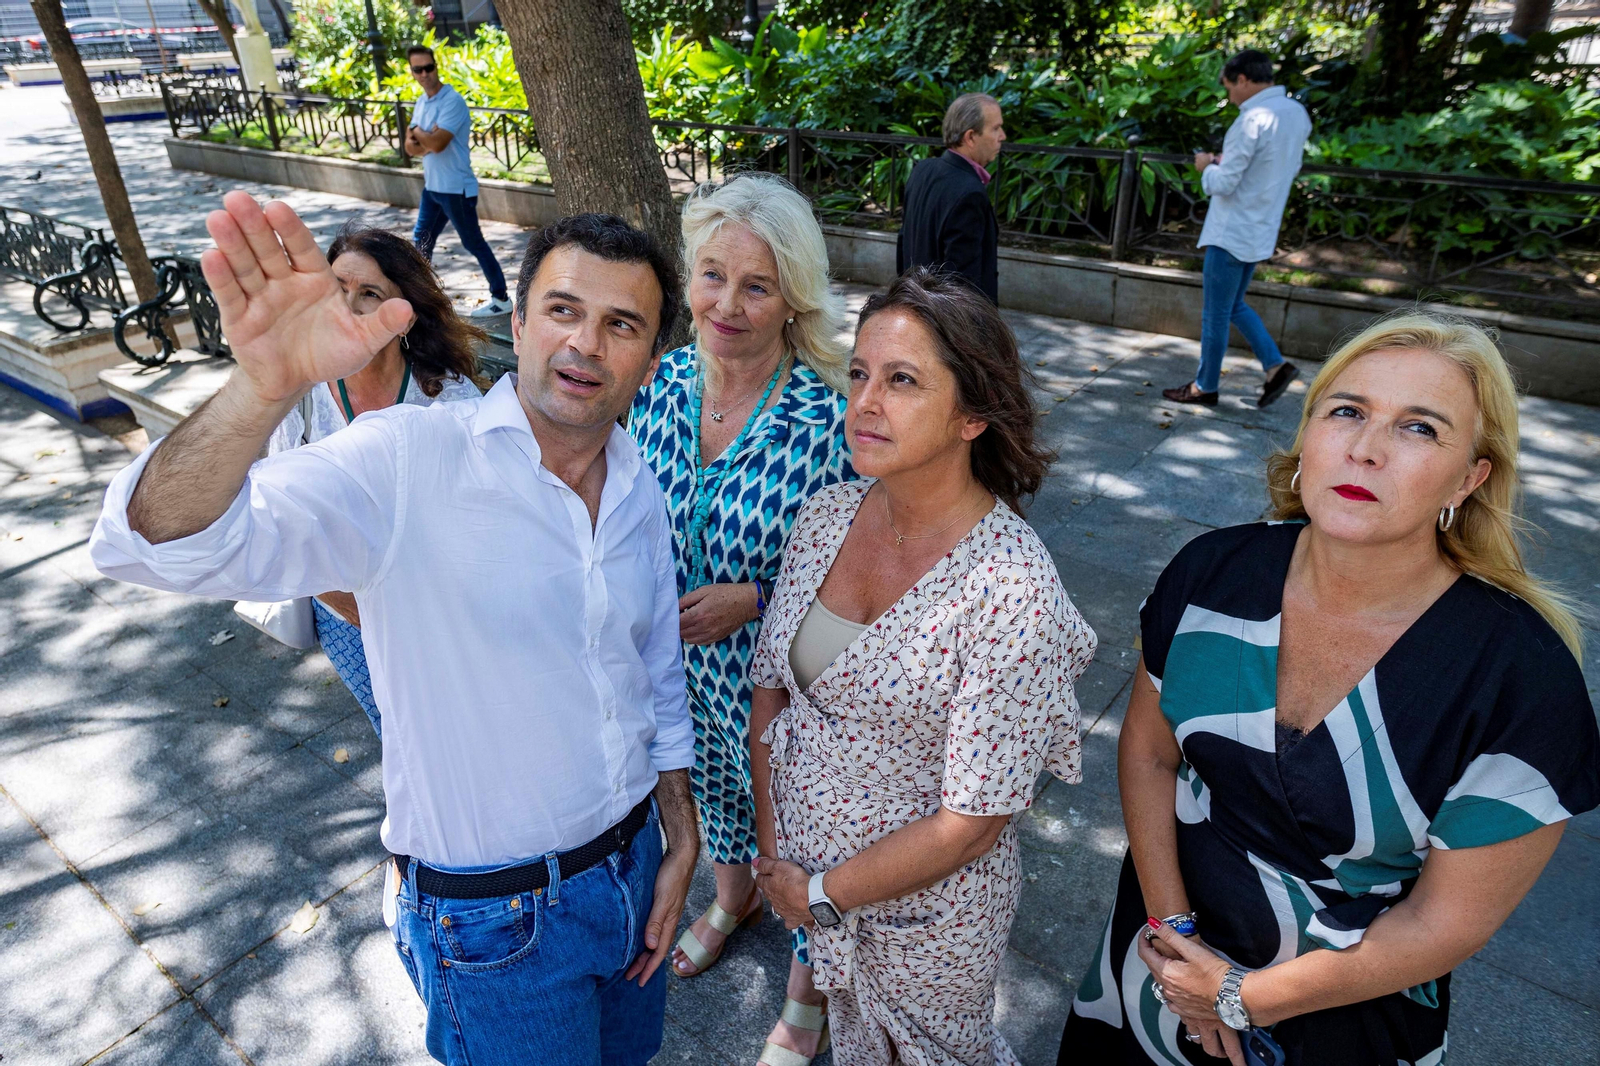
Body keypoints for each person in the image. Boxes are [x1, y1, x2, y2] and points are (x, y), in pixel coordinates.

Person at [90, 194, 701, 1066]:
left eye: (621, 325)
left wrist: (679, 833)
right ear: (518, 323)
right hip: (498, 925)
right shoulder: (410, 460)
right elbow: (152, 545)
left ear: (650, 359)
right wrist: (261, 388)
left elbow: (654, 666)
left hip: (634, 868)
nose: (586, 344)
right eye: (563, 310)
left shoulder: (638, 486)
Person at [1062, 311, 1599, 1066]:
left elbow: (1445, 922)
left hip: (1343, 1013)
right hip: (1154, 957)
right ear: (1308, 435)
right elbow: (1150, 754)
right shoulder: (1211, 574)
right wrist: (1174, 934)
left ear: (1469, 477)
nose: (1366, 448)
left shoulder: (1522, 685)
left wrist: (1239, 997)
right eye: (1347, 411)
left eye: (1419, 428)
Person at [749, 269, 1098, 1065]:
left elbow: (972, 823)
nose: (864, 402)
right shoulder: (827, 516)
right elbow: (771, 687)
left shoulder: (1010, 589)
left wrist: (822, 894)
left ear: (973, 415)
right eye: (860, 374)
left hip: (928, 924)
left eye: (902, 380)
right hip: (805, 881)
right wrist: (779, 857)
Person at [267, 224, 484, 738]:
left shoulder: (448, 400)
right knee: (397, 735)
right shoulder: (300, 395)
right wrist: (354, 608)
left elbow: (476, 524)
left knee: (455, 735)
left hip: (434, 618)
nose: (348, 307)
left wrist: (415, 618)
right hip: (342, 616)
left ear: (405, 313)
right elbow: (282, 517)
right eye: (337, 289)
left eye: (370, 294)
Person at [1163, 49, 1311, 410]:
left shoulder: (1251, 120)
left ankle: (1205, 387)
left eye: (1229, 87)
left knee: (1215, 313)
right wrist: (1223, 162)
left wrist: (1206, 167)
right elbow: (1282, 168)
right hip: (1260, 227)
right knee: (1233, 306)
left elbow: (1223, 184)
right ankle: (1275, 367)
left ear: (1242, 80)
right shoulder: (1296, 113)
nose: (1229, 96)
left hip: (1230, 231)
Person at [403, 45, 512, 318]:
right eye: (418, 69)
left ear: (436, 66)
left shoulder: (452, 101)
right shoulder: (422, 102)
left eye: (429, 67)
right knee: (421, 241)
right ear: (412, 72)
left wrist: (417, 131)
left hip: (455, 188)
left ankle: (501, 298)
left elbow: (437, 144)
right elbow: (410, 147)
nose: (425, 74)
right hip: (433, 186)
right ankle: (420, 296)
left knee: (473, 242)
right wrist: (425, 136)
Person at [896, 93, 1006, 303]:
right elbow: (964, 284)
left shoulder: (922, 170)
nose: (1002, 136)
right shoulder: (970, 192)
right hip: (948, 318)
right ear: (970, 137)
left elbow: (903, 245)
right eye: (995, 128)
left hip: (915, 305)